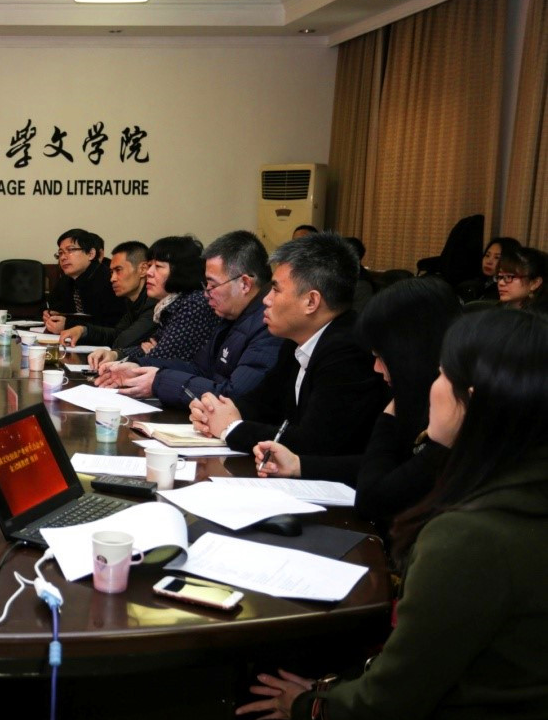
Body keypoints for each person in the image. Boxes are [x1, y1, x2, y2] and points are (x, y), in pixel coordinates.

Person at [230, 308, 548, 720]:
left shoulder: (474, 539)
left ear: (474, 401)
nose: (430, 386)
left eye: (441, 374)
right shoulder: (518, 495)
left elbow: (391, 703)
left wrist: (308, 706)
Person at [252, 277, 460, 541]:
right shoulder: (419, 397)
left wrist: (389, 416)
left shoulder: (450, 419)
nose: (376, 368)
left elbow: (374, 497)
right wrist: (298, 465)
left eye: (381, 357)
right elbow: (387, 467)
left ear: (409, 355)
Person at [190, 232, 387, 457]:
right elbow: (264, 403)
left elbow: (313, 444)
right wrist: (215, 412)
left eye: (276, 290)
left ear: (311, 301)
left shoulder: (349, 351)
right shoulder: (295, 341)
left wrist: (231, 428)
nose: (266, 300)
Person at [95, 231, 284, 407]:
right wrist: (138, 366)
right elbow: (198, 368)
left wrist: (158, 381)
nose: (206, 293)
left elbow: (233, 396)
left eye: (212, 285)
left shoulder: (269, 325)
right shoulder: (229, 315)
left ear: (244, 284)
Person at [88, 235, 220, 369]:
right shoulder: (172, 303)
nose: (149, 272)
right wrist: (114, 354)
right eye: (150, 265)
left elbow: (160, 358)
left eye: (158, 266)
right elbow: (149, 348)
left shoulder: (193, 303)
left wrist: (151, 353)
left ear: (180, 271)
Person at [55, 241, 156, 349]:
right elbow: (116, 334)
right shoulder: (131, 300)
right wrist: (83, 330)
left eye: (118, 270)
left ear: (143, 269)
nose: (112, 279)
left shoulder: (154, 302)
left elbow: (123, 341)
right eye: (112, 272)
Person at [43, 228, 124, 332]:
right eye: (60, 253)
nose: (63, 258)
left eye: (70, 250)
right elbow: (51, 307)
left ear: (91, 254)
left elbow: (112, 325)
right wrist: (48, 315)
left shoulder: (110, 280)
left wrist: (68, 325)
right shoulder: (66, 280)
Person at [461, 237, 521, 302]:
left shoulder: (505, 291)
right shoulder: (473, 284)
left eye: (497, 257)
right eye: (487, 255)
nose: (489, 261)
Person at [495, 245, 545, 310]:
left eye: (509, 276)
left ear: (535, 283)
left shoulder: (540, 314)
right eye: (500, 277)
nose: (501, 283)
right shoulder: (497, 309)